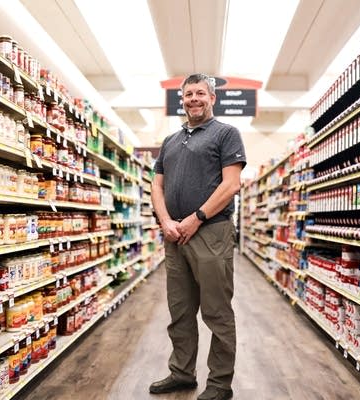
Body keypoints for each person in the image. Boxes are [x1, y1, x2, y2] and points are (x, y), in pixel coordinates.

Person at [149, 73, 246, 400]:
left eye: (200, 93)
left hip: (211, 232)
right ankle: (181, 373)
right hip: (174, 235)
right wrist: (165, 220)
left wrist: (196, 218)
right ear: (182, 98)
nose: (194, 99)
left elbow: (231, 184)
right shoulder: (171, 141)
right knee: (180, 310)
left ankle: (219, 385)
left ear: (212, 98)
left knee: (217, 312)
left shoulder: (226, 134)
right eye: (189, 93)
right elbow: (157, 184)